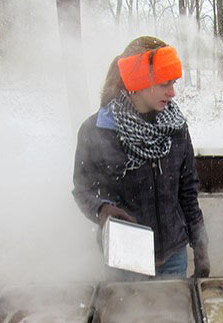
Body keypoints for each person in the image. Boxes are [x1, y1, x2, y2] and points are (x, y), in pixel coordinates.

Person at [72, 36, 210, 280]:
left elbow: (187, 191)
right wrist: (102, 209)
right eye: (165, 83)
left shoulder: (176, 128)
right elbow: (83, 190)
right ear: (138, 80)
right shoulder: (97, 129)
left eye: (174, 82)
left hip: (173, 255)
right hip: (125, 258)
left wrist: (200, 244)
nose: (173, 92)